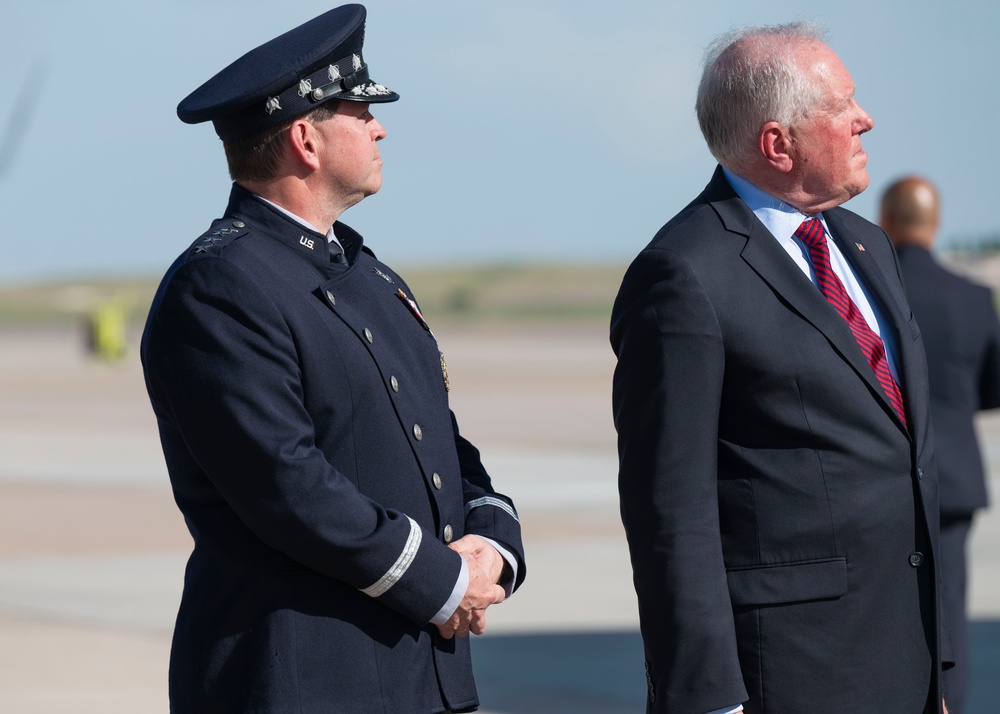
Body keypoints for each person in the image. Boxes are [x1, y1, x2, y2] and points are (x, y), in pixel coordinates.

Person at [140, 5, 525, 712]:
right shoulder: (221, 286)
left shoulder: (368, 275)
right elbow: (287, 485)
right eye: (361, 111)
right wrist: (438, 581)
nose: (380, 127)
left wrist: (492, 545)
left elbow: (437, 438)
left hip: (420, 677)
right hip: (305, 680)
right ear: (304, 139)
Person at [611, 22, 952, 714]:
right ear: (778, 143)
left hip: (904, 664)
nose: (866, 120)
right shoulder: (685, 274)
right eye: (842, 106)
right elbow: (669, 510)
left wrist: (934, 677)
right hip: (791, 675)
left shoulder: (867, 246)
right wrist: (707, 698)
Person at [881, 176, 1000, 714]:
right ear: (936, 223)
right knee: (949, 607)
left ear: (886, 219)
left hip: (881, 474)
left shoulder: (873, 287)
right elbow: (991, 389)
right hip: (953, 473)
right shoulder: (973, 297)